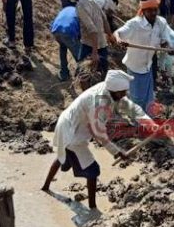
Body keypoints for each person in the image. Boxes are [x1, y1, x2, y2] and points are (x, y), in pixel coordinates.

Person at [42, 70, 155, 210]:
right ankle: (93, 209)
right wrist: (117, 152)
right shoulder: (99, 102)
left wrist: (150, 124)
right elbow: (99, 133)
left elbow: (132, 108)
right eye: (122, 93)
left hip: (70, 123)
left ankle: (45, 187)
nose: (124, 95)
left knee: (62, 155)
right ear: (114, 90)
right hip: (72, 132)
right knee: (93, 170)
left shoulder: (110, 90)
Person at [114, 0, 174, 113]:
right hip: (134, 67)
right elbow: (118, 33)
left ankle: (147, 121)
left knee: (149, 98)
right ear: (143, 11)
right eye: (150, 10)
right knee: (137, 99)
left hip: (148, 66)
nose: (153, 13)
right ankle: (136, 124)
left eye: (155, 10)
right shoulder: (134, 24)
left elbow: (164, 40)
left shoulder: (160, 22)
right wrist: (119, 40)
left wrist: (167, 47)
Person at [69, 0, 112, 78]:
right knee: (103, 75)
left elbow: (92, 29)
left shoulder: (80, 7)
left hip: (89, 45)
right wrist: (110, 35)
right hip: (102, 44)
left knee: (82, 75)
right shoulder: (92, 0)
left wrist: (94, 52)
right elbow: (104, 19)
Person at [50, 2, 82, 82]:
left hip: (56, 30)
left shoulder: (66, 9)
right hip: (68, 31)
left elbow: (54, 22)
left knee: (63, 47)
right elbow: (81, 32)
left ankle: (64, 74)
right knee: (80, 55)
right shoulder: (79, 12)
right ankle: (81, 74)